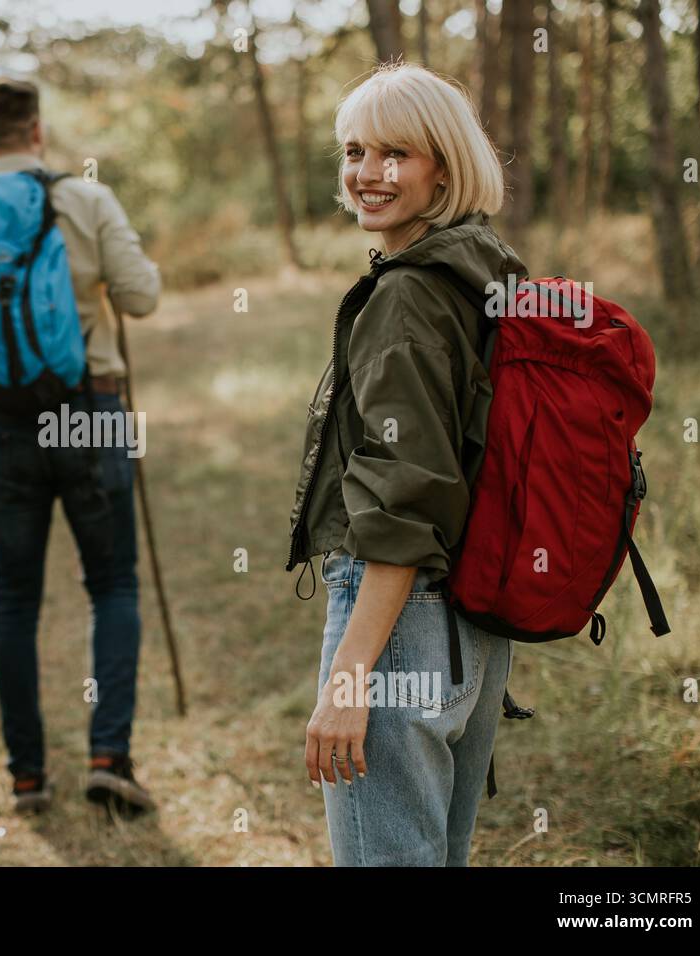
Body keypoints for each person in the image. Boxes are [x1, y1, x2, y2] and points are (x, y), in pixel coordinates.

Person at [286, 63, 528, 865]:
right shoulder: (486, 266)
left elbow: (403, 497)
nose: (367, 173)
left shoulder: (408, 296)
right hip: (476, 617)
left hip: (400, 617)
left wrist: (350, 680)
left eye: (397, 153)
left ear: (445, 168)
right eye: (355, 151)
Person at [0, 78, 161, 815]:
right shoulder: (86, 200)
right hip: (92, 411)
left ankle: (26, 775)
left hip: (3, 423)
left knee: (14, 600)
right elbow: (141, 298)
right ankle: (110, 757)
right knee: (111, 583)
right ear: (37, 131)